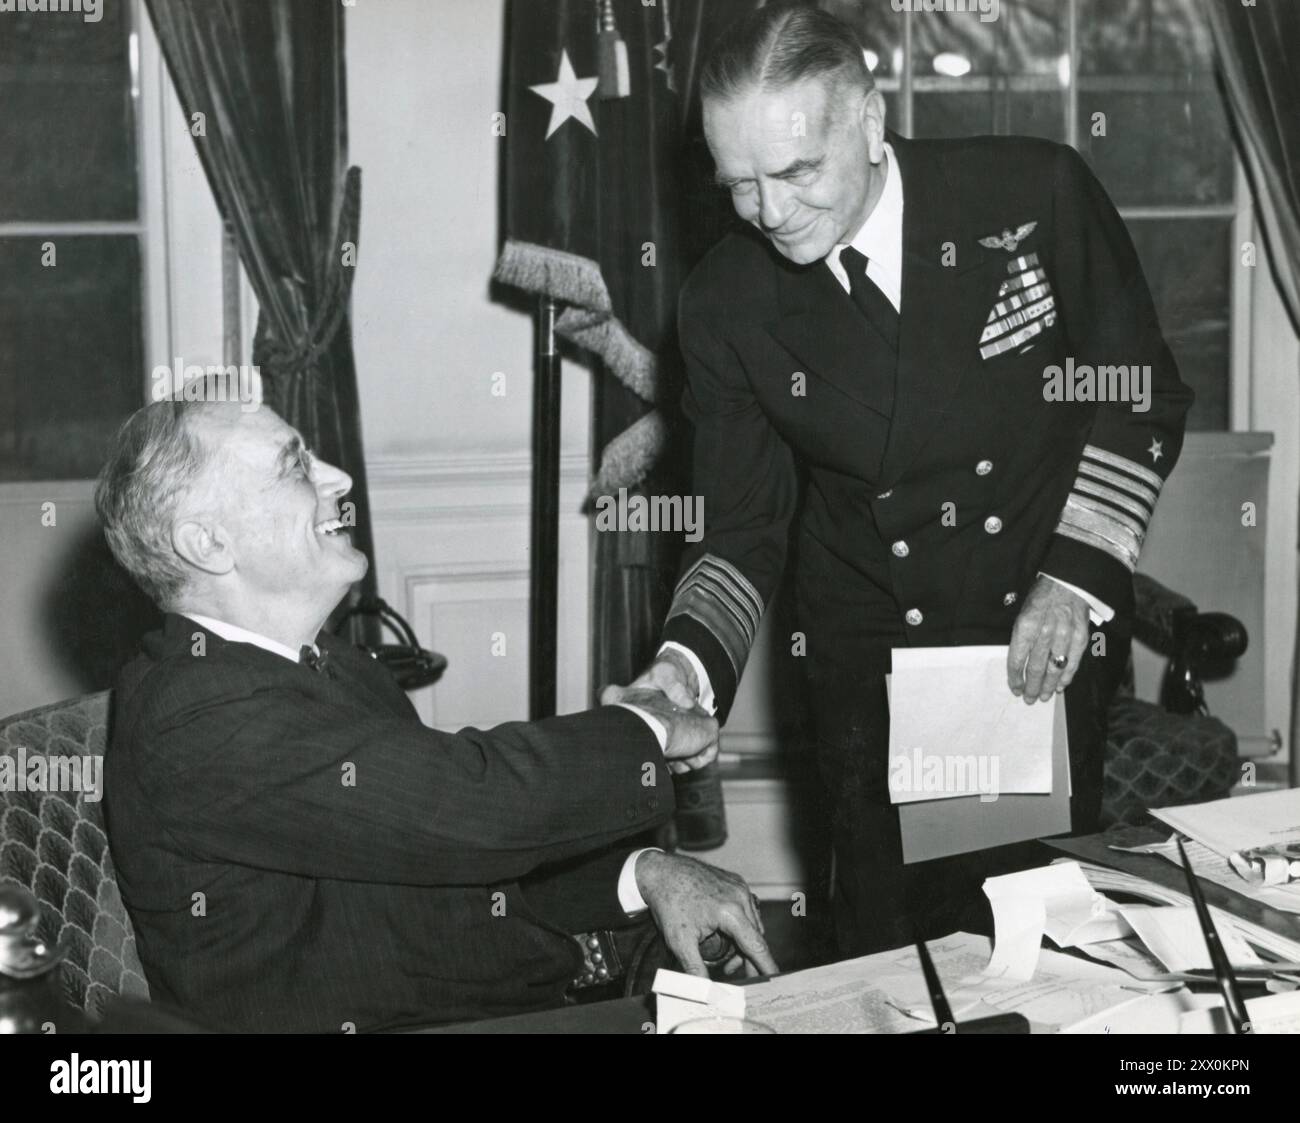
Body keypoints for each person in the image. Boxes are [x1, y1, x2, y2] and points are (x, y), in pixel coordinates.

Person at [606, 5, 1193, 955]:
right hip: (866, 659)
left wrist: (1076, 577)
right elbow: (743, 526)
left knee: (1033, 944)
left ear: (871, 122)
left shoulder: (1031, 194)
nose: (769, 212)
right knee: (885, 950)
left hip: (1030, 636)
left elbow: (1137, 393)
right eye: (738, 184)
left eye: (796, 172)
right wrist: (689, 665)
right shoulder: (727, 301)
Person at [97, 398, 776, 1033]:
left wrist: (645, 874)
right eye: (296, 465)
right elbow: (475, 804)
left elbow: (459, 864)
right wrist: (649, 723)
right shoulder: (193, 715)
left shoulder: (326, 660)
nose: (338, 478)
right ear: (208, 543)